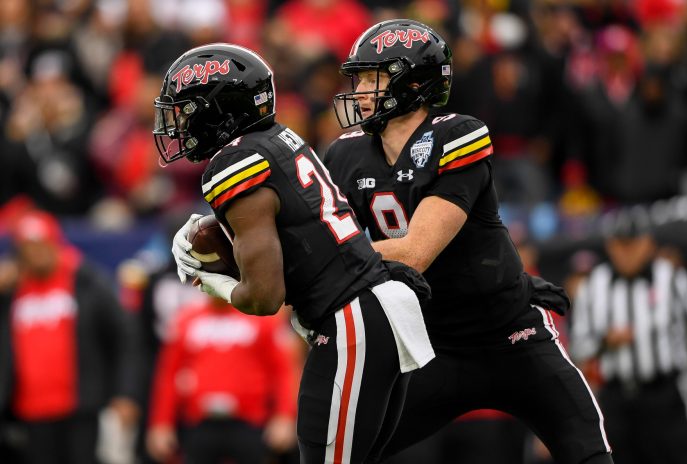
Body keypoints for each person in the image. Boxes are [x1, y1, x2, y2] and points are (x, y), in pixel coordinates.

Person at [324, 19, 613, 464]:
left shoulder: (457, 134)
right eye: (359, 78)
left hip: (510, 335)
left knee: (589, 453)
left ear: (412, 82)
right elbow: (310, 234)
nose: (359, 90)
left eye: (371, 77)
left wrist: (330, 256)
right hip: (433, 346)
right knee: (343, 452)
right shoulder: (345, 153)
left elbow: (416, 251)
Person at [156, 43, 435, 464]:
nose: (178, 124)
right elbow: (292, 228)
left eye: (186, 110)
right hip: (371, 309)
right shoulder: (276, 140)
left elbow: (265, 296)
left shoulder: (234, 162)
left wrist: (217, 285)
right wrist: (220, 231)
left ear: (217, 109)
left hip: (352, 318)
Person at [0, 210, 141, 464]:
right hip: (30, 412)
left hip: (81, 408)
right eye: (29, 248)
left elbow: (125, 339)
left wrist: (125, 393)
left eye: (43, 245)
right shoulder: (11, 289)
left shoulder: (86, 282)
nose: (37, 254)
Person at [570, 206, 687, 464]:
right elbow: (577, 348)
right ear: (609, 246)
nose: (626, 253)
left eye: (633, 244)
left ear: (648, 243)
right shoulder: (593, 285)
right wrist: (605, 342)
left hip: (665, 396)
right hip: (616, 401)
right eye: (620, 245)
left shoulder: (671, 278)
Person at [146, 296, 300, 464]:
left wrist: (284, 416)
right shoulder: (186, 318)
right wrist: (161, 422)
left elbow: (282, 371)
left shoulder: (261, 318)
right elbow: (169, 373)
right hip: (199, 423)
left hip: (249, 422)